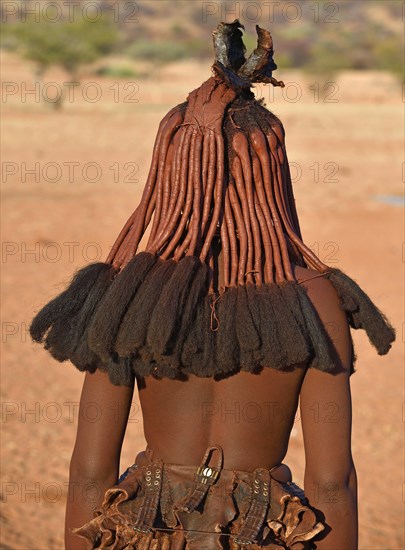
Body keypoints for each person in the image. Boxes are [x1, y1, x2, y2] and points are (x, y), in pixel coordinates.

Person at [30, 21, 395, 549]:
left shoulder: (129, 296)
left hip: (149, 532)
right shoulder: (315, 298)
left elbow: (90, 474)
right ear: (272, 176)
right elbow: (330, 481)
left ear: (172, 172)